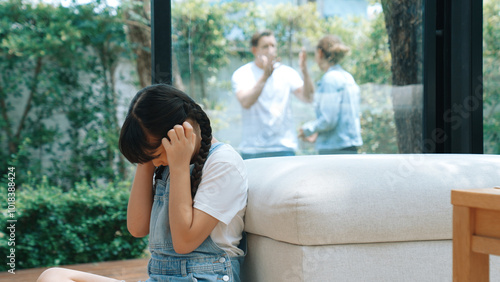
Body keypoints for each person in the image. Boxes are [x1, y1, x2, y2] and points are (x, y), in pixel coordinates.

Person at [37, 84, 248, 282]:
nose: (155, 162)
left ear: (181, 132)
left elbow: (184, 242)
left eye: (155, 155)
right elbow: (137, 227)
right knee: (53, 276)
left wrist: (179, 166)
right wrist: (145, 161)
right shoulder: (164, 165)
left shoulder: (223, 163)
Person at [231, 30, 314, 159]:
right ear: (254, 50)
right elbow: (246, 102)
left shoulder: (287, 73)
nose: (270, 50)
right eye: (265, 46)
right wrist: (265, 76)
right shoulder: (242, 74)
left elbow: (308, 98)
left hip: (283, 148)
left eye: (273, 46)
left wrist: (305, 72)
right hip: (253, 150)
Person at [299, 35, 363, 154]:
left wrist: (307, 129)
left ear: (320, 53)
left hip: (334, 150)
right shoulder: (348, 78)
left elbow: (328, 120)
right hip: (350, 146)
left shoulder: (330, 79)